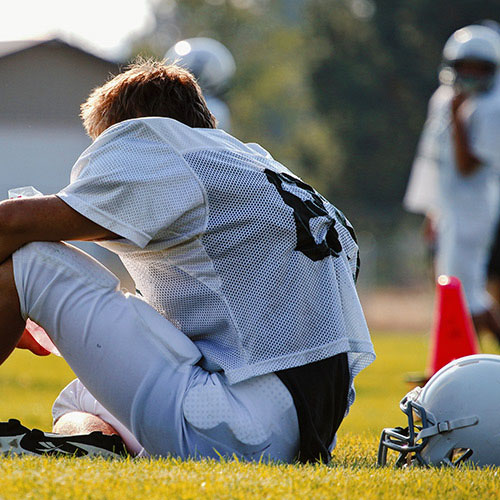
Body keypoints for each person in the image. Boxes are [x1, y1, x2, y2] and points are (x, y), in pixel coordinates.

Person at [0, 60, 374, 463]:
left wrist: (15, 291)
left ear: (131, 130)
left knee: (31, 260)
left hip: (237, 424)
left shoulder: (159, 146)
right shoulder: (254, 167)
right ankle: (97, 446)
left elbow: (11, 223)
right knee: (80, 398)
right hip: (300, 430)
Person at [404, 25, 500, 339]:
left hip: (475, 210)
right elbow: (437, 164)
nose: (471, 74)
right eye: (465, 66)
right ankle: (461, 358)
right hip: (452, 209)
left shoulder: (490, 107)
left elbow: (467, 166)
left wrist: (459, 116)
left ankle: (460, 359)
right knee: (460, 291)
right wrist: (435, 209)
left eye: (479, 68)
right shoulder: (444, 98)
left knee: (462, 293)